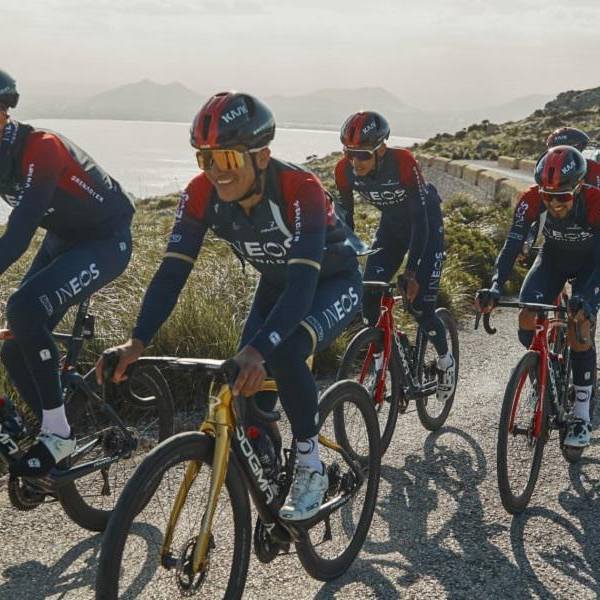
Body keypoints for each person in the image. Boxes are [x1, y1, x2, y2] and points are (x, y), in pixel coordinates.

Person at [96, 92, 362, 521]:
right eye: (206, 158)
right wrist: (136, 342)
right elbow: (171, 274)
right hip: (277, 285)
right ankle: (269, 460)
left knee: (285, 352)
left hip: (331, 282)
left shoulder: (301, 190)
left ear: (262, 156)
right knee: (239, 378)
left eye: (228, 158)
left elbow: (302, 287)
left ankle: (310, 465)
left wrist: (260, 350)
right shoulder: (200, 194)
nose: (217, 170)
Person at [0, 69, 135, 476]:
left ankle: (58, 434)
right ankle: (54, 429)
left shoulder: (42, 148)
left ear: (5, 112)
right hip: (63, 238)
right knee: (13, 344)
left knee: (24, 309)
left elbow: (19, 233)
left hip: (106, 240)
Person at [476, 145, 600, 447]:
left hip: (591, 265)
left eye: (562, 197)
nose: (554, 204)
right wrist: (496, 285)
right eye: (548, 196)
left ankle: (581, 415)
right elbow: (512, 244)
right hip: (553, 259)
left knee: (579, 327)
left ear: (579, 187)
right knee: (527, 314)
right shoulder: (531, 198)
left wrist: (587, 298)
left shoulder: (595, 201)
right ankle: (544, 371)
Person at [334, 111, 456, 403]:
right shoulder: (343, 171)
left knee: (420, 307)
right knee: (369, 297)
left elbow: (420, 221)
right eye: (349, 153)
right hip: (390, 230)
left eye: (362, 154)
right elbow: (347, 220)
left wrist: (411, 272)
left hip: (425, 228)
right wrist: (342, 260)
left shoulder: (402, 162)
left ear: (381, 149)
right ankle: (382, 370)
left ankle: (446, 361)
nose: (355, 161)